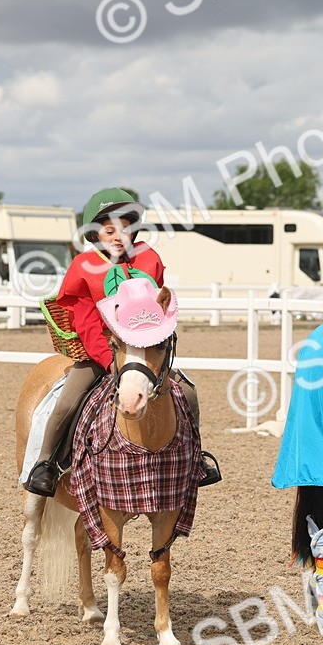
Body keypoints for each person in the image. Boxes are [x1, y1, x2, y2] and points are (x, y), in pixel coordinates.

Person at [23, 187, 200, 497]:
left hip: (142, 352)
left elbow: (157, 308)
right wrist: (110, 362)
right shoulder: (84, 267)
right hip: (101, 354)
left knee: (187, 391)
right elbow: (87, 324)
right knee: (67, 401)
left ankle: (196, 459)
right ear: (96, 232)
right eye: (109, 230)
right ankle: (45, 464)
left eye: (126, 229)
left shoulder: (148, 258)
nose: (119, 237)